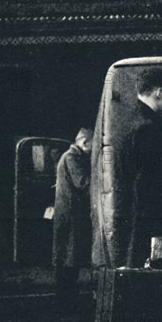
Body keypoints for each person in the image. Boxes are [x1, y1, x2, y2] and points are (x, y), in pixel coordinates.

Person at [125, 68, 162, 268]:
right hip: (154, 220)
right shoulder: (148, 129)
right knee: (156, 265)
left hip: (144, 218)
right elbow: (151, 182)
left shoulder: (135, 122)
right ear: (158, 92)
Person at [52, 128, 94, 306]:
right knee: (69, 259)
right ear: (84, 143)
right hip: (71, 218)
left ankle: (66, 299)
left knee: (70, 259)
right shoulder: (72, 158)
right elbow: (83, 183)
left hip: (71, 217)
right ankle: (65, 301)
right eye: (93, 146)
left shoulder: (71, 157)